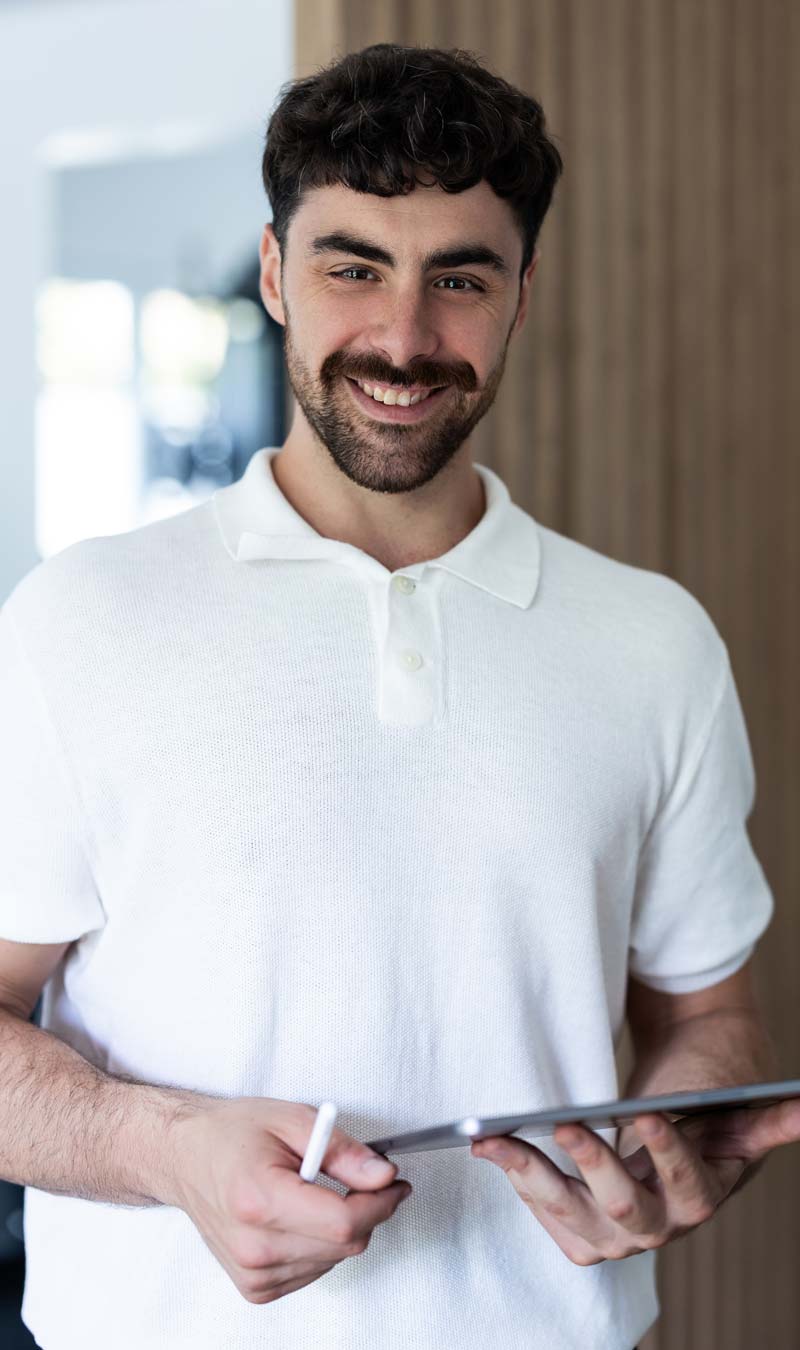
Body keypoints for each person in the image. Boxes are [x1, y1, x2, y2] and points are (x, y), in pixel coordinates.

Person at [0, 40, 796, 1350]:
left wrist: (676, 1143)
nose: (405, 338)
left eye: (461, 279)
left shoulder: (656, 644)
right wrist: (167, 1148)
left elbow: (711, 1020)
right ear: (274, 273)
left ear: (522, 297)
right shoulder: (78, 621)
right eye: (352, 267)